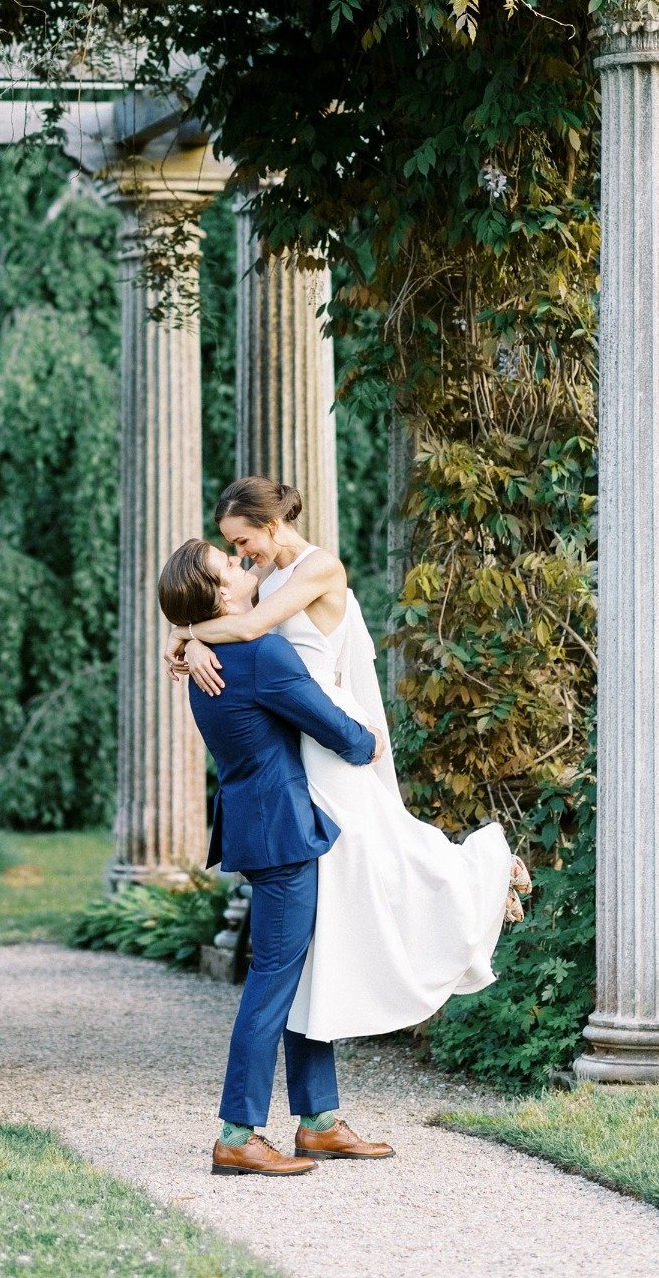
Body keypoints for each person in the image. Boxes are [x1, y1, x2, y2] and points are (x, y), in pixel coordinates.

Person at [165, 475, 529, 1046]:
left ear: (271, 525)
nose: (241, 556)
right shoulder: (264, 574)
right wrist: (194, 638)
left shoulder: (319, 567)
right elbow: (229, 609)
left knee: (380, 843)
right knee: (362, 861)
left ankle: (485, 872)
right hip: (296, 730)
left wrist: (186, 634)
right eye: (233, 549)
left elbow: (253, 627)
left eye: (241, 542)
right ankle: (327, 1078)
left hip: (325, 722)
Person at [157, 537, 396, 1177]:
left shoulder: (217, 652)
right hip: (283, 833)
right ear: (220, 596)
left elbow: (243, 595)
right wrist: (370, 740)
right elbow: (336, 732)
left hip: (262, 825)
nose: (245, 564)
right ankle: (238, 1132)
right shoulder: (260, 654)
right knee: (274, 981)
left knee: (302, 973)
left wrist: (187, 635)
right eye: (231, 564)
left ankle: (317, 1122)